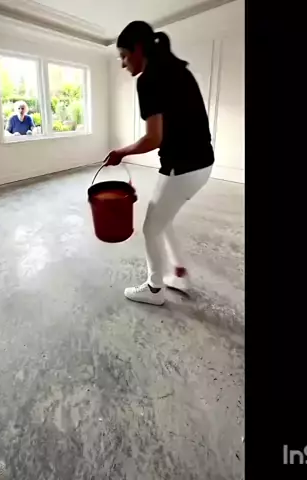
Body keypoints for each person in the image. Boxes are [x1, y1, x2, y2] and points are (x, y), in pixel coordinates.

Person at [106, 21, 215, 306]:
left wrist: (121, 152)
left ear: (138, 49)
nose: (123, 64)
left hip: (184, 167)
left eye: (124, 56)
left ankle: (155, 289)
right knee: (161, 217)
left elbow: (154, 138)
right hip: (202, 163)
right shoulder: (179, 71)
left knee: (151, 228)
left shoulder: (149, 79)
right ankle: (179, 273)